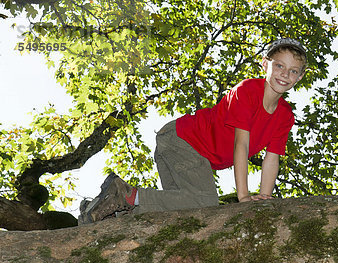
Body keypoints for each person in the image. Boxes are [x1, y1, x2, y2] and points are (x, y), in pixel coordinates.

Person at [79, 38, 307, 224]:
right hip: (183, 140)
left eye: (293, 71)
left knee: (180, 215)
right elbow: (241, 145)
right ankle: (123, 194)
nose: (285, 75)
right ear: (265, 65)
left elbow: (272, 158)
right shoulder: (248, 91)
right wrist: (244, 197)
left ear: (300, 77)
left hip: (187, 150)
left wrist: (264, 199)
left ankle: (105, 213)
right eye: (279, 66)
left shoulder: (285, 116)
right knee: (205, 202)